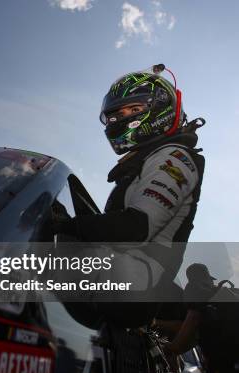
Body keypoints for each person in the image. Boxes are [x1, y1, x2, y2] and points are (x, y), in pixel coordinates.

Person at [52, 64, 206, 322]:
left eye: (134, 110)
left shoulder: (174, 157)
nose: (123, 118)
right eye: (117, 114)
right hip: (120, 278)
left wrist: (64, 224)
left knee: (7, 268)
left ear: (161, 108)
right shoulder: (150, 159)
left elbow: (137, 226)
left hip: (133, 284)